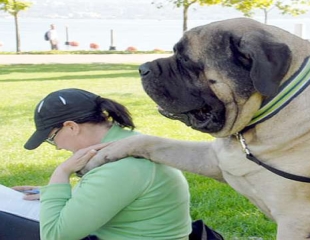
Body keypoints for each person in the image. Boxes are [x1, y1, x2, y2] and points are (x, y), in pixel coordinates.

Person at [0, 88, 192, 240]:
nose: (57, 147)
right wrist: (53, 193)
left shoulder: (120, 167)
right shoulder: (129, 144)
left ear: (71, 127)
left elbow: (55, 235)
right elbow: (107, 195)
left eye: (51, 138)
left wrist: (61, 173)